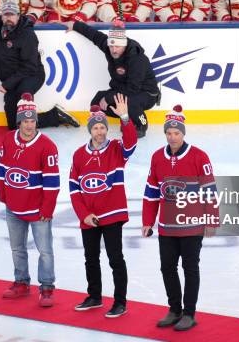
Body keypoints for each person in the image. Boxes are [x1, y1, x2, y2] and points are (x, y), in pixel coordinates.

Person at [142, 105, 217, 331]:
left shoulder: (199, 156)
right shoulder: (157, 157)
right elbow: (151, 192)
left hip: (192, 225)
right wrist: (148, 221)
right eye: (169, 133)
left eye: (176, 133)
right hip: (166, 226)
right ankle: (174, 309)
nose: (172, 137)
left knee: (190, 268)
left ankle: (189, 313)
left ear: (183, 133)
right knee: (167, 267)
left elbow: (210, 190)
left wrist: (211, 219)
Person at [69, 94, 136, 318]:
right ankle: (95, 296)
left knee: (115, 258)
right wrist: (83, 214)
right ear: (90, 130)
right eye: (96, 128)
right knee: (91, 258)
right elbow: (74, 188)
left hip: (113, 213)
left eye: (102, 127)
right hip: (89, 216)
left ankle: (120, 302)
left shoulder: (117, 149)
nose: (100, 131)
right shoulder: (79, 155)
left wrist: (125, 117)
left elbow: (131, 141)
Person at [0, 1, 80, 130]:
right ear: (1, 16)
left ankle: (54, 117)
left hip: (32, 75)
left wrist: (7, 84)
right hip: (13, 79)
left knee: (22, 110)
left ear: (18, 16)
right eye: (6, 15)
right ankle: (55, 115)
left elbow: (29, 67)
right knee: (14, 125)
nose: (8, 18)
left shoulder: (27, 35)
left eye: (12, 15)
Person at [0, 93, 60, 307]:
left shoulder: (47, 146)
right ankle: (21, 282)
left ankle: (47, 287)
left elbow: (52, 182)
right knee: (17, 248)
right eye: (25, 121)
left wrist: (48, 208)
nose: (29, 125)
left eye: (33, 121)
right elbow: (2, 170)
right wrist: (3, 195)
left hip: (38, 210)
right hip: (13, 207)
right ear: (19, 122)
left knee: (45, 250)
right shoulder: (7, 140)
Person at [64, 19, 160, 137]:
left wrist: (109, 97)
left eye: (118, 46)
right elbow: (94, 35)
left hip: (146, 93)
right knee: (97, 102)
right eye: (111, 46)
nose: (114, 50)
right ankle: (127, 119)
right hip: (124, 89)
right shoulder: (109, 47)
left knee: (129, 103)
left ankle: (141, 125)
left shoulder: (136, 58)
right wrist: (75, 25)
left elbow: (133, 89)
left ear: (124, 44)